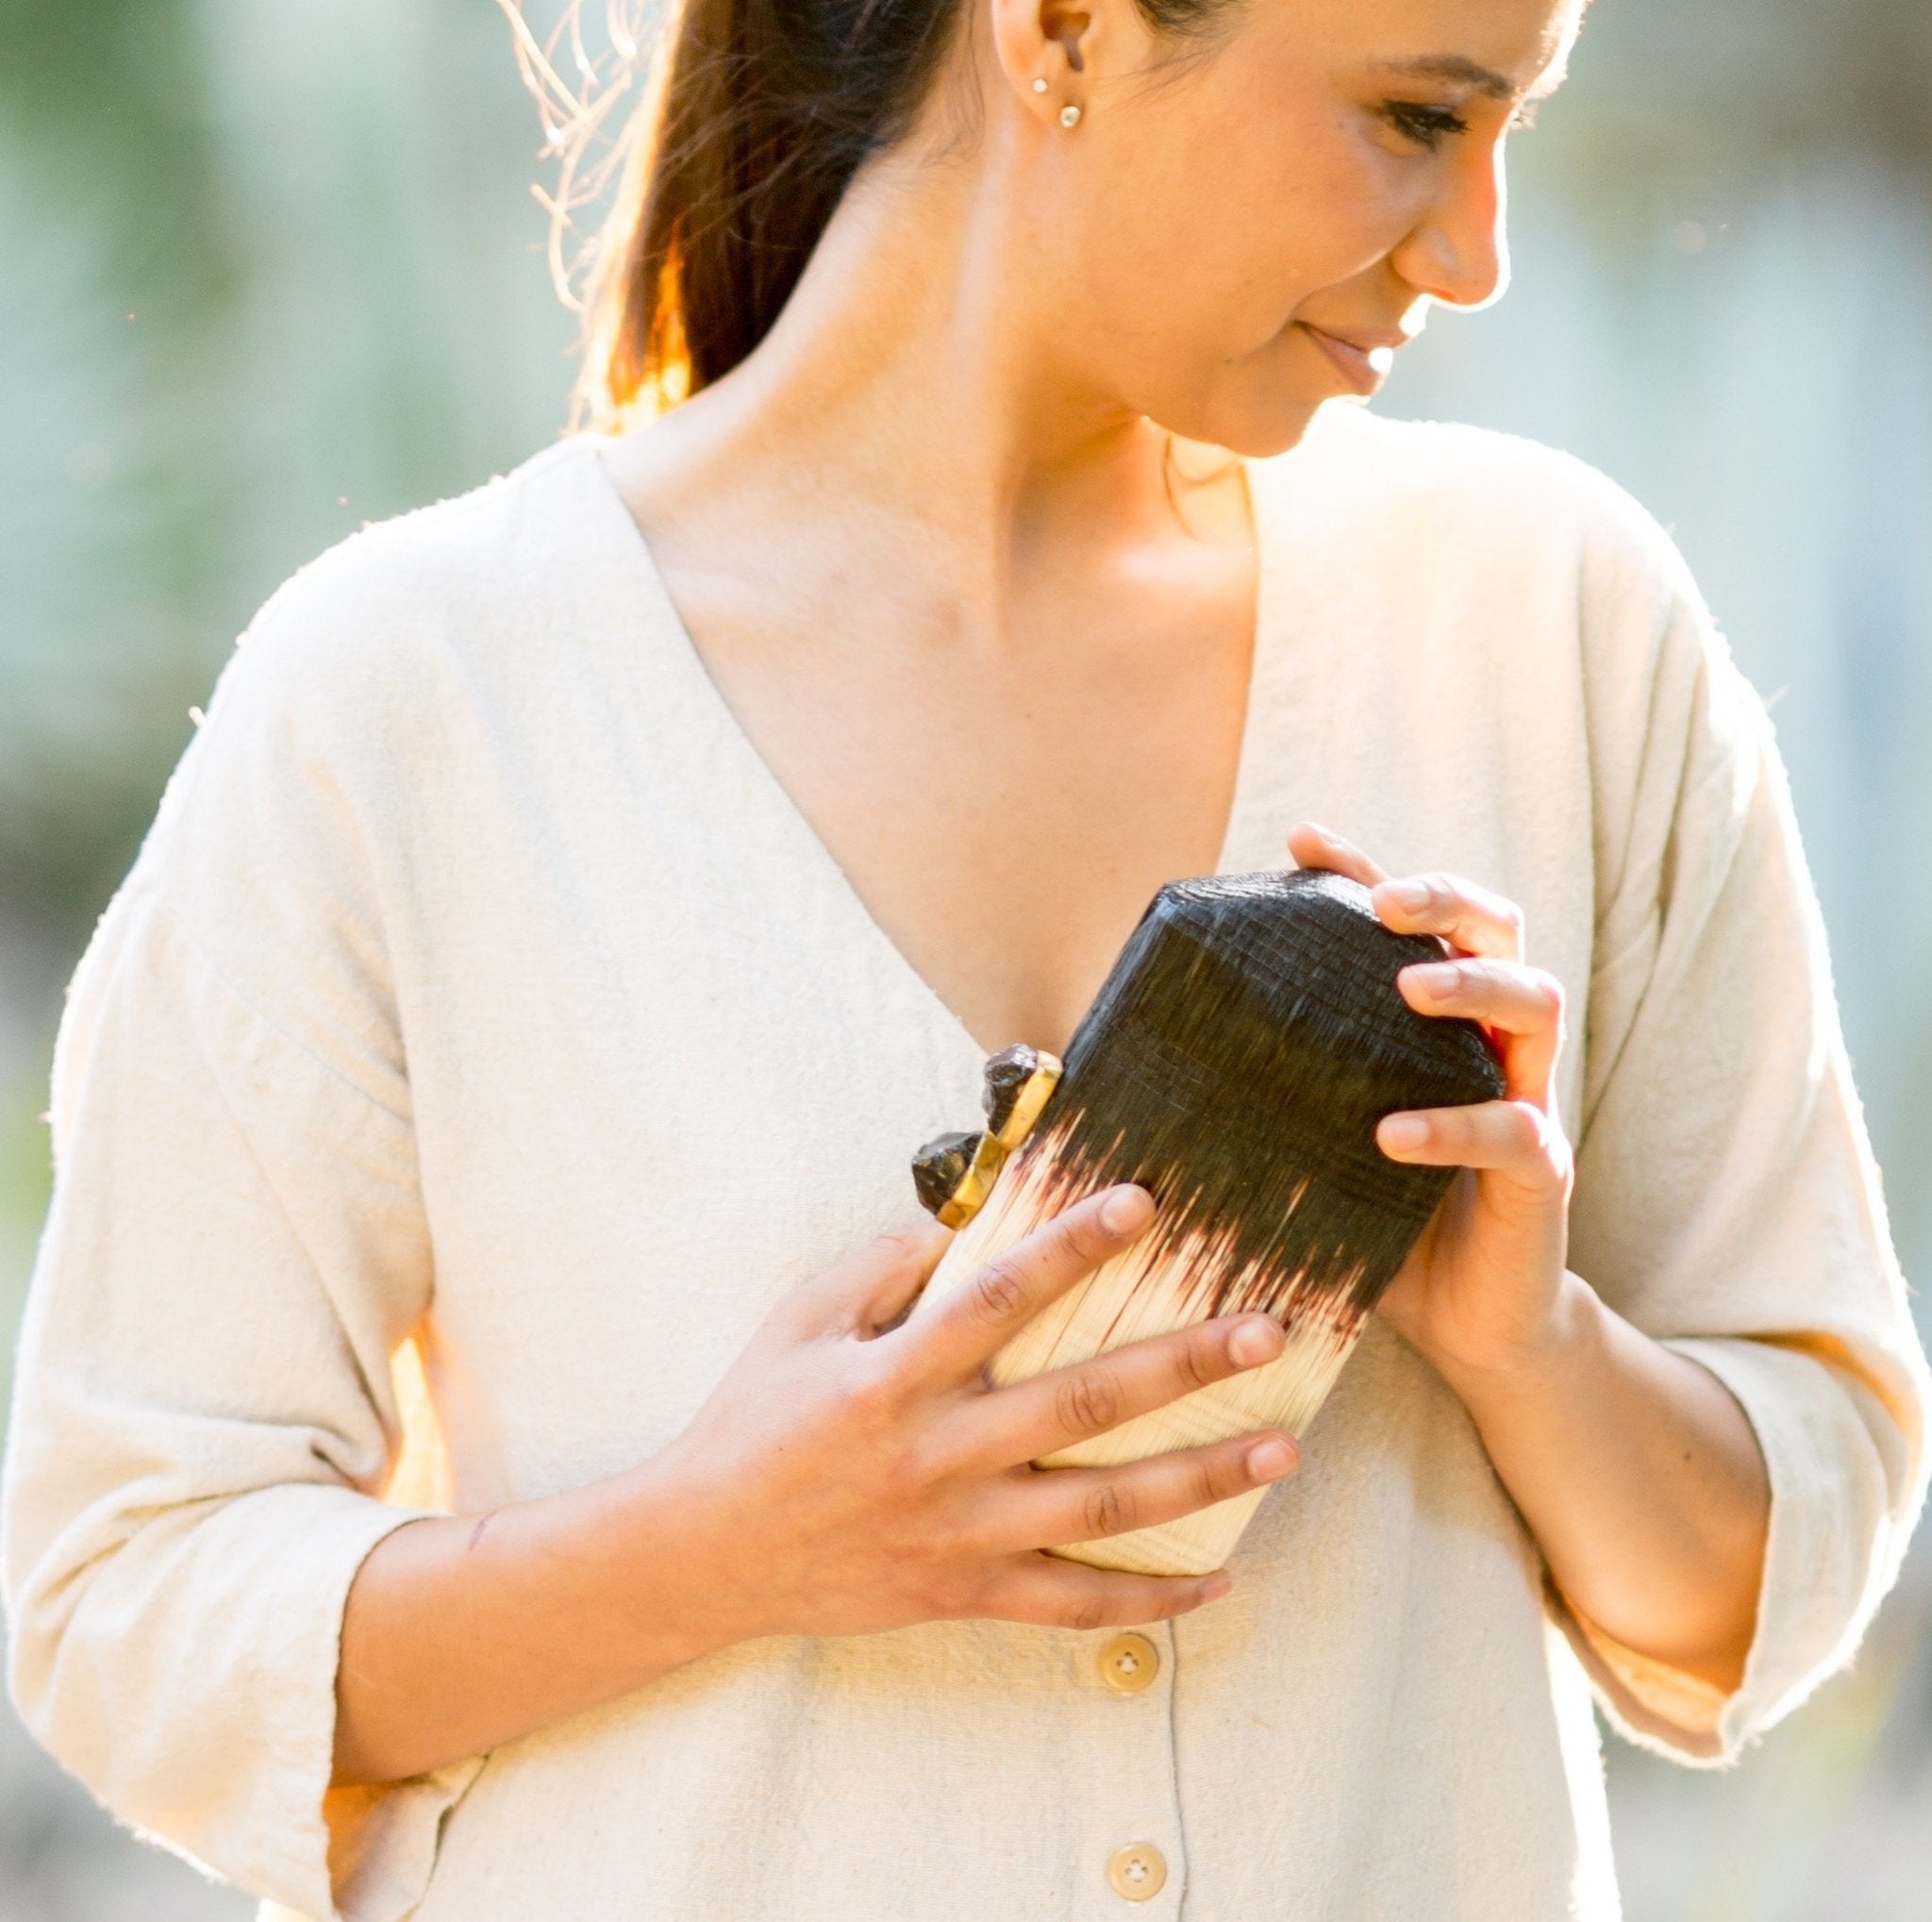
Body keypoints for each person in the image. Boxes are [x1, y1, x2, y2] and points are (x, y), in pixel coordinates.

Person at [4, 0, 1926, 1915]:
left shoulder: (1547, 633)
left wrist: (1531, 1351)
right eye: (1416, 117)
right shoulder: (408, 701)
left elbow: (1784, 1555)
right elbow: (122, 1601)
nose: (1473, 251)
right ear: (1066, 30)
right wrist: (718, 1546)